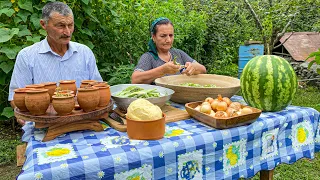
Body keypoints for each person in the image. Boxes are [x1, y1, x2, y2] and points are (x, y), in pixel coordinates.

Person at [8, 1, 103, 125]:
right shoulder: (27, 56)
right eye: (61, 26)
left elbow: (99, 89)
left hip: (83, 123)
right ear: (44, 24)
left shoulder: (85, 53)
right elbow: (15, 98)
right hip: (43, 126)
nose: (68, 32)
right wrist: (26, 117)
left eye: (70, 25)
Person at [131, 17, 206, 84]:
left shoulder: (178, 53)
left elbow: (203, 69)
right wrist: (163, 70)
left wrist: (193, 68)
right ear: (154, 37)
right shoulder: (148, 57)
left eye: (171, 35)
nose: (168, 40)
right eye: (163, 36)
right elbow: (135, 79)